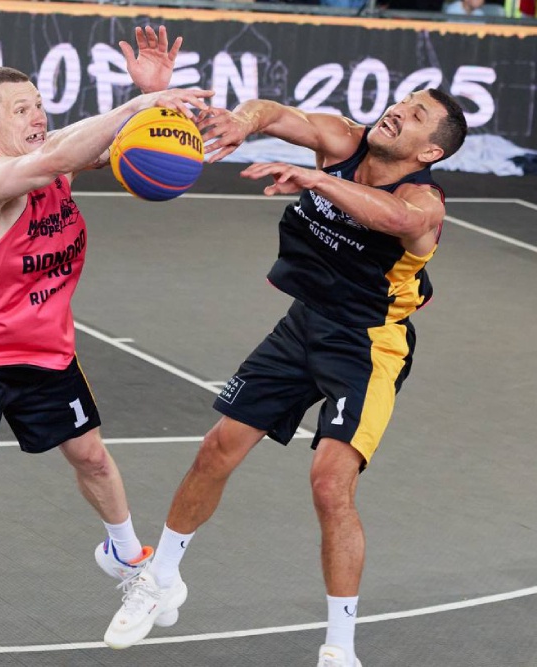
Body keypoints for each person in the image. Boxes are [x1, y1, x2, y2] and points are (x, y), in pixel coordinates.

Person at [104, 26, 467, 667]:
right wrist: (244, 122)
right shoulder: (344, 140)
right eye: (402, 102)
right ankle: (160, 579)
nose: (397, 112)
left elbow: (396, 221)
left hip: (367, 345)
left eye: (415, 116)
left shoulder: (422, 200)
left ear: (430, 151)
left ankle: (339, 649)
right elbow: (275, 112)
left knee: (329, 484)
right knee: (216, 449)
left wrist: (316, 181)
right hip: (304, 325)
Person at [0, 65, 212, 666]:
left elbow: (93, 147)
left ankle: (128, 558)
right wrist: (137, 104)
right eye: (21, 109)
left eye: (39, 105)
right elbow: (55, 156)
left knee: (92, 457)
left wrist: (152, 107)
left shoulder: (52, 166)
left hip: (48, 356)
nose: (37, 116)